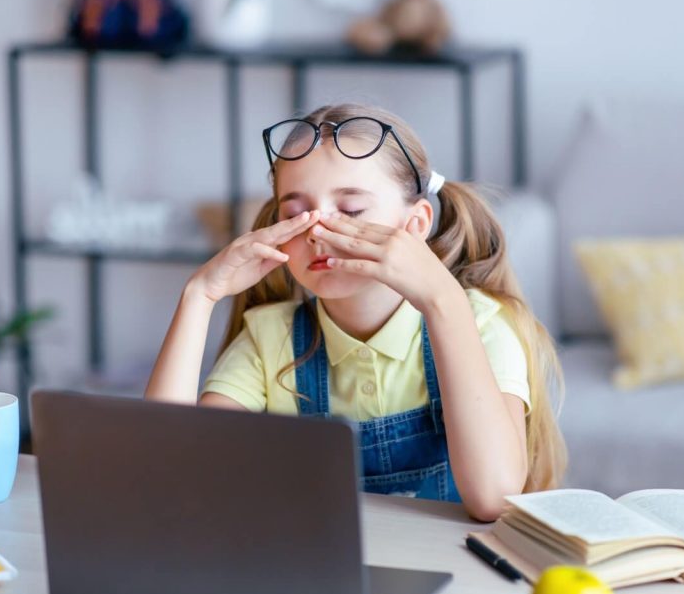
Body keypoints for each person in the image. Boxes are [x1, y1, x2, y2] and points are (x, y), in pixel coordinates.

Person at [145, 103, 566, 521]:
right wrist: (198, 296)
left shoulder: (481, 324)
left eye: (349, 211)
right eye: (295, 214)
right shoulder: (269, 338)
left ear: (415, 225)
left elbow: (494, 497)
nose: (318, 232)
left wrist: (443, 301)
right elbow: (171, 479)